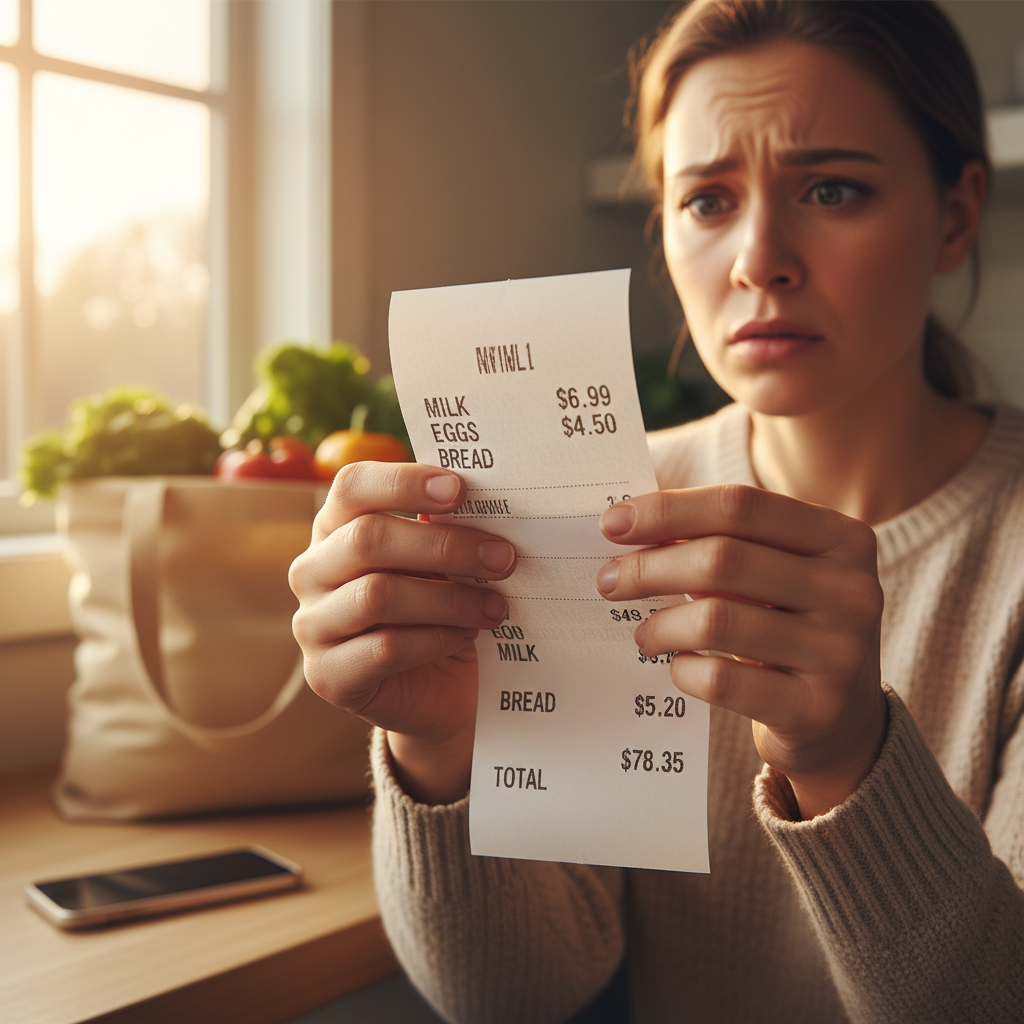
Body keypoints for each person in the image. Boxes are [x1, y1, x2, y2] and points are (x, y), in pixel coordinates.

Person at [288, 1, 1024, 1020]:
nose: (758, 257)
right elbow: (518, 995)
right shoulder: (597, 509)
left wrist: (844, 758)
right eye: (708, 200)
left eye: (832, 188)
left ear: (953, 215)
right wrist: (442, 753)